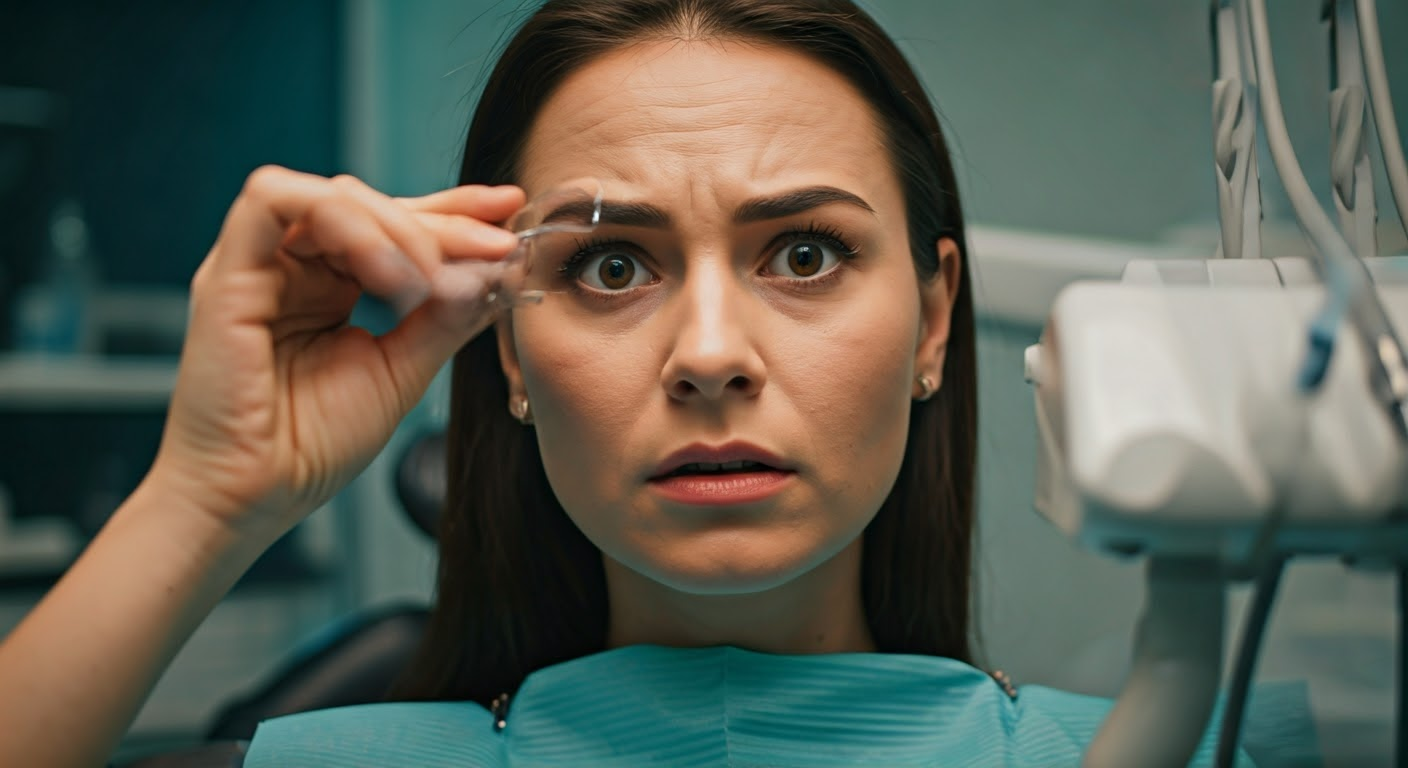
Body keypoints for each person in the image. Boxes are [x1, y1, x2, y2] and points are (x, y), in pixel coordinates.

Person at [0, 1, 1265, 765]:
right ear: (508, 351)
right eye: (611, 264)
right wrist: (206, 498)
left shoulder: (1198, 743)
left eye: (805, 253)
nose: (710, 354)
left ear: (933, 318)